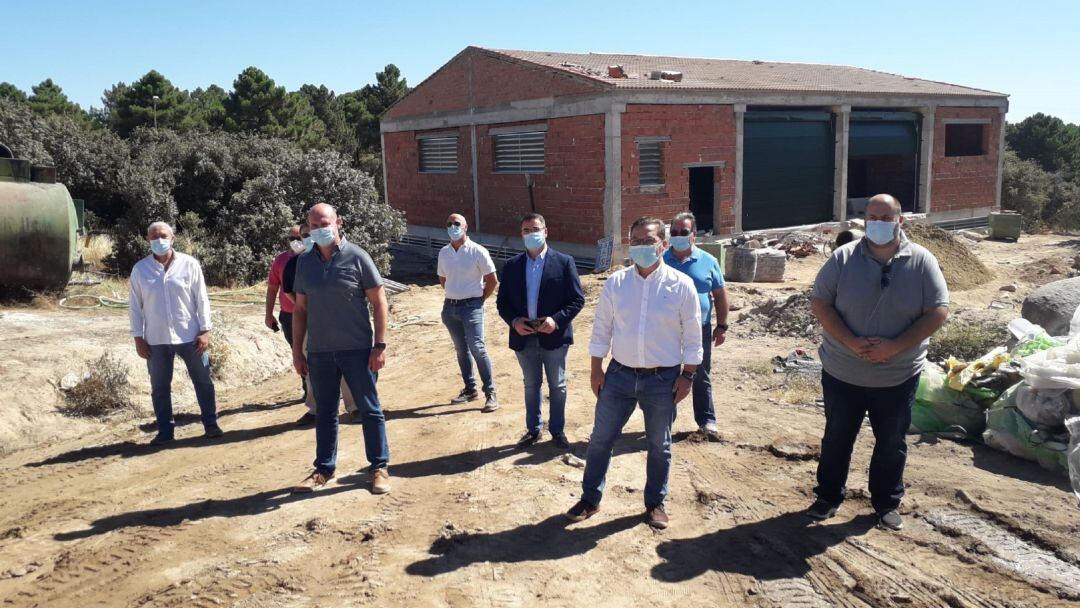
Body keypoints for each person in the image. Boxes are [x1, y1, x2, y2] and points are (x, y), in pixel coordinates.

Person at [806, 194, 949, 531]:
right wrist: (850, 341)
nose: (878, 223)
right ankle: (828, 496)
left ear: (900, 220)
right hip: (843, 372)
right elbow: (820, 302)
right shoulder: (843, 258)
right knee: (837, 437)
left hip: (897, 376)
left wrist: (896, 347)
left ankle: (886, 503)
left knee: (891, 442)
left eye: (886, 217)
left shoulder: (921, 261)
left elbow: (938, 310)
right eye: (872, 217)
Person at [566, 216, 702, 530]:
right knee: (600, 439)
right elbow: (602, 329)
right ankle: (590, 498)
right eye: (636, 241)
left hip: (663, 379)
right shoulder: (617, 283)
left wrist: (688, 375)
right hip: (619, 376)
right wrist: (596, 369)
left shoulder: (681, 286)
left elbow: (693, 335)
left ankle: (655, 503)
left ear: (663, 245)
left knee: (659, 445)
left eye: (649, 240)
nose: (642, 246)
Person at [291, 203, 391, 495]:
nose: (319, 229)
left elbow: (380, 302)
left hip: (358, 350)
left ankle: (379, 467)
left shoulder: (358, 257)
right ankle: (323, 469)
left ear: (339, 223)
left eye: (324, 223)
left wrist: (380, 345)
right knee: (325, 412)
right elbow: (299, 310)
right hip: (320, 353)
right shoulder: (304, 263)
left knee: (370, 410)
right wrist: (298, 352)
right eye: (313, 225)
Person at [496, 213, 585, 449]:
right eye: (526, 230)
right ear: (521, 235)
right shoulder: (512, 266)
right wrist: (514, 321)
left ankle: (557, 430)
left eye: (535, 229)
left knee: (557, 385)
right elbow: (502, 303)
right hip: (523, 336)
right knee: (531, 384)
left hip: (553, 336)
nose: (530, 234)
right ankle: (533, 429)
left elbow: (577, 300)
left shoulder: (564, 262)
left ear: (545, 231)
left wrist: (556, 321)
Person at [129, 221, 222, 445]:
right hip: (156, 339)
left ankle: (211, 424)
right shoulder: (140, 270)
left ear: (172, 238)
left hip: (190, 335)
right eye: (153, 236)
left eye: (163, 236)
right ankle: (165, 431)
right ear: (147, 240)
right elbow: (134, 306)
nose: (158, 240)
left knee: (203, 381)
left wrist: (205, 330)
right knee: (159, 387)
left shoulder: (189, 265)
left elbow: (202, 299)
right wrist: (138, 338)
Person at [282, 224, 359, 427]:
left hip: (342, 323)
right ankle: (316, 410)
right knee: (313, 370)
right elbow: (289, 292)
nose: (308, 238)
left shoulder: (343, 257)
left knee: (348, 366)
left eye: (310, 233)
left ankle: (356, 407)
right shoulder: (296, 263)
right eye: (304, 235)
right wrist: (307, 308)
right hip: (312, 326)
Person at [663, 211, 729, 441]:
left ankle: (707, 420)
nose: (678, 236)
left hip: (699, 329)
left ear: (693, 235)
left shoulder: (708, 262)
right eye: (674, 232)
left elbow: (719, 296)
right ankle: (664, 420)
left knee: (700, 375)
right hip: (667, 330)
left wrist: (722, 326)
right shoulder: (660, 261)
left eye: (683, 232)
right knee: (667, 374)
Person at [438, 213, 499, 412]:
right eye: (449, 224)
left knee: (477, 348)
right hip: (450, 308)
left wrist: (479, 300)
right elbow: (443, 279)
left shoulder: (477, 251)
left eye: (457, 223)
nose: (452, 226)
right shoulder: (444, 252)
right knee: (460, 350)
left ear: (465, 227)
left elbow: (492, 280)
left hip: (471, 307)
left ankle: (491, 393)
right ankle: (470, 389)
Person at [266, 225, 306, 398]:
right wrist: (268, 314)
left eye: (299, 238)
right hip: (289, 315)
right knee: (298, 351)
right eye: (292, 239)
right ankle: (308, 389)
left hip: (313, 314)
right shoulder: (281, 260)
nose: (296, 242)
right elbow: (273, 287)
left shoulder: (315, 258)